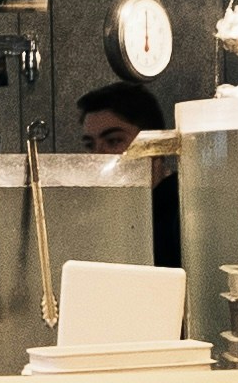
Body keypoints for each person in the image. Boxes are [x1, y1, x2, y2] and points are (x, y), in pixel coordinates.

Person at [75, 64, 186, 265]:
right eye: (90, 145)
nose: (99, 156)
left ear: (154, 145)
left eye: (114, 141)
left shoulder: (182, 209)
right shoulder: (101, 212)